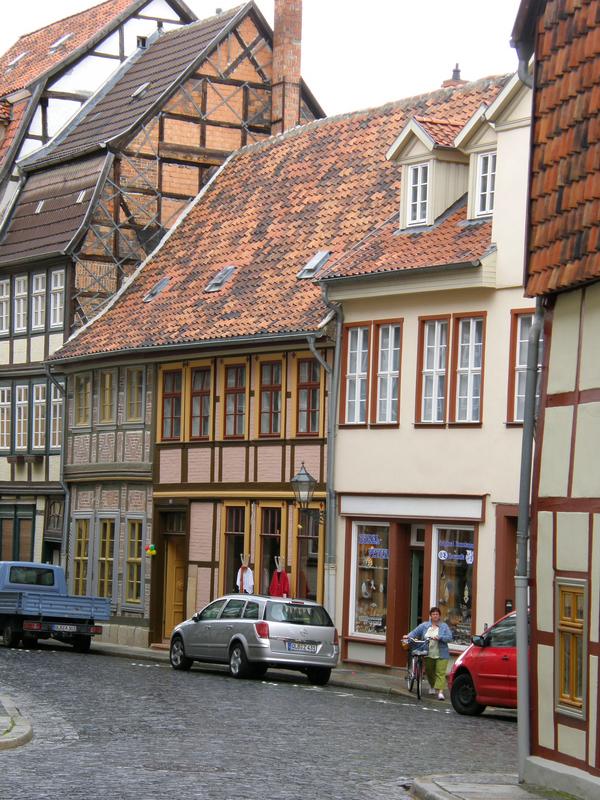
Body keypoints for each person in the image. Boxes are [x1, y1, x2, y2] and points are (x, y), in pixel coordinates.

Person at [406, 606, 453, 700]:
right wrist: (408, 636)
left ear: (439, 616)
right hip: (428, 653)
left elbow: (450, 638)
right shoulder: (424, 626)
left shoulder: (444, 626)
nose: (435, 616)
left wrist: (440, 638)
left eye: (437, 614)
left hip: (442, 653)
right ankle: (432, 685)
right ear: (430, 616)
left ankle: (440, 692)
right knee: (429, 671)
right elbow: (414, 633)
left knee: (440, 673)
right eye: (433, 614)